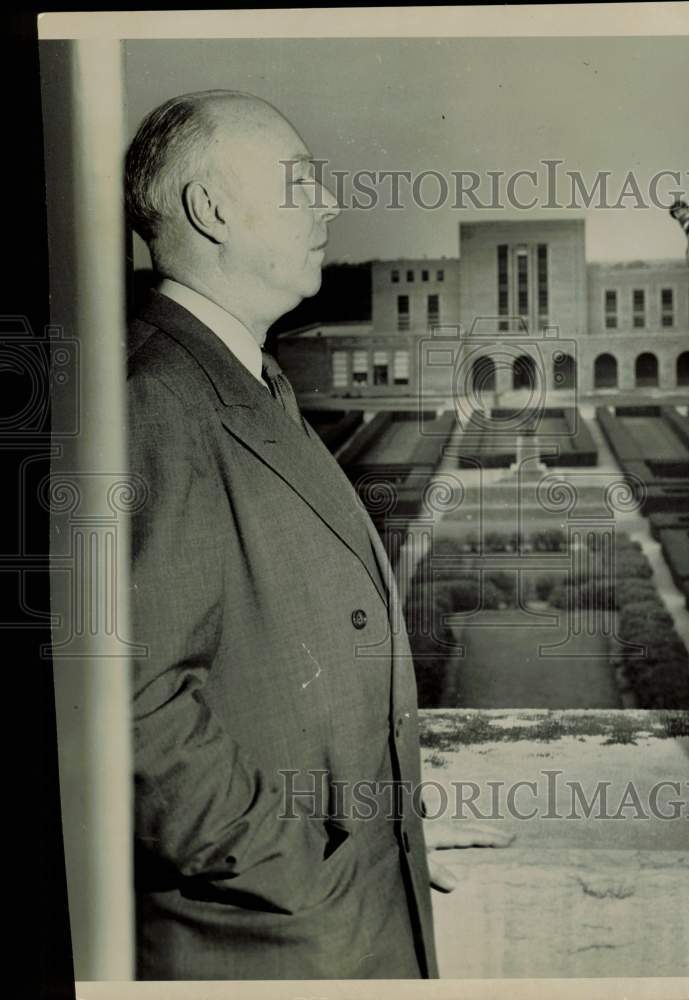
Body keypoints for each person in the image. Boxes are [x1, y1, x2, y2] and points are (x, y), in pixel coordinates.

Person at [125, 89, 510, 981]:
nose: (330, 205)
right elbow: (127, 712)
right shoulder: (150, 403)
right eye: (302, 184)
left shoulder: (242, 379)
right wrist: (316, 868)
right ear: (212, 209)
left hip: (338, 922)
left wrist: (391, 830)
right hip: (274, 945)